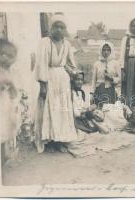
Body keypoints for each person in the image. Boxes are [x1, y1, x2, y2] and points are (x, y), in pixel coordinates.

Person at [34, 14, 78, 153]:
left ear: (65, 29)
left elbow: (70, 63)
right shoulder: (45, 42)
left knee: (62, 109)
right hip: (50, 78)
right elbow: (41, 64)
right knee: (50, 108)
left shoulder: (67, 44)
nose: (59, 30)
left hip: (63, 80)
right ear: (51, 28)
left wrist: (74, 74)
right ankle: (50, 139)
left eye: (62, 27)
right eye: (56, 27)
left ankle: (61, 139)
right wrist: (43, 85)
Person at [0, 39, 19, 165]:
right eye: (3, 54)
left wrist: (13, 89)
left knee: (6, 128)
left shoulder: (10, 71)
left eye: (11, 56)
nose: (7, 58)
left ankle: (5, 154)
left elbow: (14, 89)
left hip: (6, 104)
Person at [91, 42, 120, 109]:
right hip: (99, 90)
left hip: (110, 90)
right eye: (104, 50)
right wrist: (92, 94)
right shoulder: (97, 64)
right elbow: (93, 81)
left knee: (110, 110)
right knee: (99, 110)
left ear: (111, 51)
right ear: (101, 51)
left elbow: (119, 79)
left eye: (108, 50)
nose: (106, 52)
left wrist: (112, 78)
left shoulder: (115, 63)